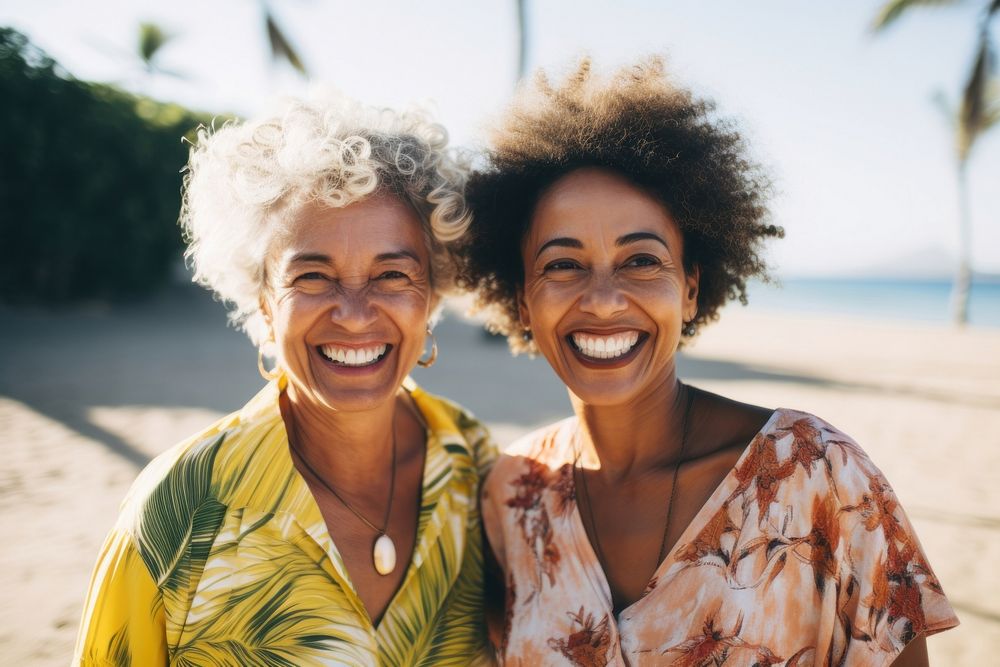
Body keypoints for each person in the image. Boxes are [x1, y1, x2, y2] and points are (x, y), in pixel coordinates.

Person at [461, 59, 958, 666]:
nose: (603, 299)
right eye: (562, 264)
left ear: (691, 288)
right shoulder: (512, 497)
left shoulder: (818, 476)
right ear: (521, 300)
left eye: (641, 260)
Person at [75, 93, 495, 666]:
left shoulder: (474, 466)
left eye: (392, 274)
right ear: (264, 301)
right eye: (313, 276)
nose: (353, 313)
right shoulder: (182, 511)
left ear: (433, 294)